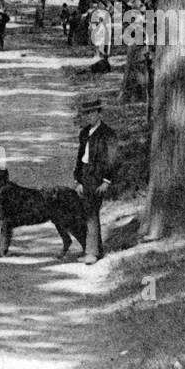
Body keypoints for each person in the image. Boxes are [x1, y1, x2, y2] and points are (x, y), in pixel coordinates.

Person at [73, 95, 118, 264]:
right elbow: (80, 157)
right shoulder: (84, 133)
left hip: (98, 177)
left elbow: (112, 159)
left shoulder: (107, 134)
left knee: (92, 212)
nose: (89, 117)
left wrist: (106, 180)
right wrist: (77, 180)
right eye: (86, 114)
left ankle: (92, 252)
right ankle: (94, 248)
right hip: (84, 175)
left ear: (99, 114)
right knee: (85, 213)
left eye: (92, 113)